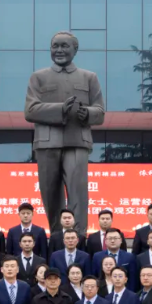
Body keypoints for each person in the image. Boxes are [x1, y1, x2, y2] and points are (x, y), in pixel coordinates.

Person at [25, 31, 104, 236]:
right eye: (55, 46)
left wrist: (87, 113)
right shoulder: (38, 77)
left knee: (78, 191)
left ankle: (78, 236)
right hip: (47, 142)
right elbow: (30, 110)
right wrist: (61, 109)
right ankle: (57, 236)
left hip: (77, 141)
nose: (59, 50)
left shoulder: (89, 77)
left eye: (64, 46)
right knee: (50, 193)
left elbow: (100, 112)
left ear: (75, 50)